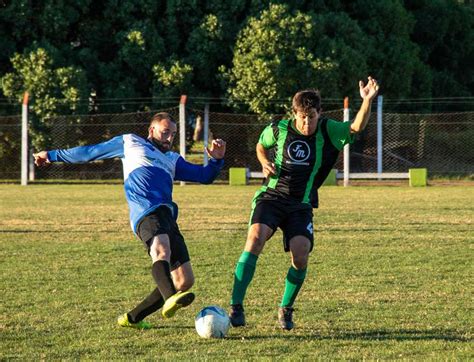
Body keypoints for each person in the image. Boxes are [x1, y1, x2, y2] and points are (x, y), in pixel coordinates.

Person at [34, 112, 226, 329]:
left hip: (167, 215)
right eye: (165, 132)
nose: (169, 138)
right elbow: (89, 152)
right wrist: (51, 154)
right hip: (145, 211)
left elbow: (204, 176)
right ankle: (170, 298)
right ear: (151, 130)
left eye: (173, 134)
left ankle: (132, 318)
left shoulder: (172, 159)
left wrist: (217, 160)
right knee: (161, 251)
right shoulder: (130, 142)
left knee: (185, 281)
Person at [229, 77, 379, 330]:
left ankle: (285, 309)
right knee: (255, 239)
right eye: (302, 117)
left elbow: (355, 128)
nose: (306, 122)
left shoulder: (327, 129)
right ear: (294, 113)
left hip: (301, 203)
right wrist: (263, 161)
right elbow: (260, 144)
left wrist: (366, 100)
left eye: (311, 117)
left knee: (301, 255)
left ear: (320, 113)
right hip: (272, 197)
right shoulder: (279, 129)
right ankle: (236, 306)